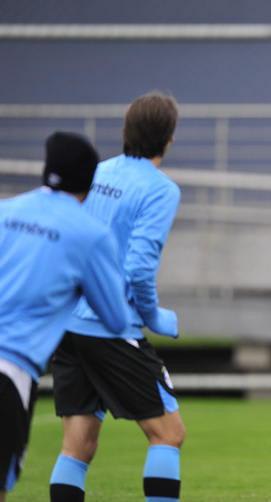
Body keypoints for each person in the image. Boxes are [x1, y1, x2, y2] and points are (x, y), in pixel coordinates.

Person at [49, 92, 184, 502]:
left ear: (126, 130)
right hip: (111, 325)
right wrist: (152, 315)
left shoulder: (96, 173)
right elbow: (139, 268)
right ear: (169, 138)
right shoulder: (160, 190)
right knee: (168, 434)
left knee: (78, 445)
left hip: (68, 324)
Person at [0, 132, 129, 501]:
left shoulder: (4, 211)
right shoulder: (89, 234)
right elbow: (116, 318)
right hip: (9, 371)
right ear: (89, 182)